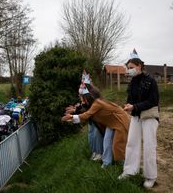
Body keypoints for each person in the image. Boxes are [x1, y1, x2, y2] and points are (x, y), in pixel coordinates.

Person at [118, 50, 159, 189]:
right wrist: (129, 105)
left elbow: (153, 101)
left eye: (131, 68)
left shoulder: (151, 80)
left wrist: (134, 106)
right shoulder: (131, 82)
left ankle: (150, 177)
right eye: (128, 68)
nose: (129, 70)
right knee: (131, 143)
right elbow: (130, 99)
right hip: (136, 116)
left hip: (149, 116)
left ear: (139, 66)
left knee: (149, 146)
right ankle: (129, 171)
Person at [62, 83, 130, 163]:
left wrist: (72, 116)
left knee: (117, 144)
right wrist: (74, 113)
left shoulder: (97, 103)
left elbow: (87, 114)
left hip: (119, 121)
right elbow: (86, 112)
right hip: (111, 123)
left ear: (87, 96)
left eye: (81, 96)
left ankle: (125, 164)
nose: (80, 98)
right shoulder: (94, 102)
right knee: (106, 141)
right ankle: (106, 163)